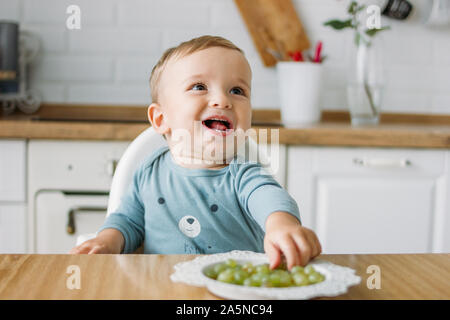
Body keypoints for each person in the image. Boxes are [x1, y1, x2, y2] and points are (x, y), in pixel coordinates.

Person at [69, 35, 322, 270]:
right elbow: (128, 222)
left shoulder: (243, 175)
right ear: (160, 118)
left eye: (237, 90)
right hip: (161, 288)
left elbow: (269, 198)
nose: (222, 100)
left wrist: (281, 225)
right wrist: (106, 241)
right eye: (199, 86)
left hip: (231, 291)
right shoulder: (149, 172)